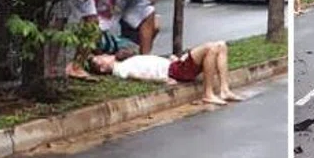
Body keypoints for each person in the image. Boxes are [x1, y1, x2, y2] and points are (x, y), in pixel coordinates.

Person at [89, 41, 240, 105]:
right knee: (211, 48)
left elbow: (149, 63)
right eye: (100, 60)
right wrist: (162, 79)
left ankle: (224, 89)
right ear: (102, 69)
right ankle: (208, 94)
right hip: (175, 70)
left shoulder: (124, 61)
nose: (103, 56)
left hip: (174, 65)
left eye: (101, 55)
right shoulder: (120, 69)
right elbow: (139, 75)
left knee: (221, 45)